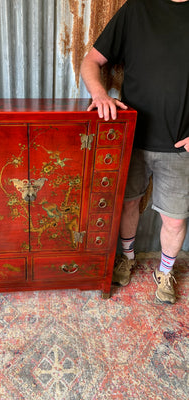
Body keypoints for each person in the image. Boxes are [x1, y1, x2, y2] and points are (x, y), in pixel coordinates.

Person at [81, 0, 189, 304]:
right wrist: (101, 95)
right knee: (128, 205)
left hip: (180, 146)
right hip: (131, 138)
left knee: (176, 220)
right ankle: (126, 258)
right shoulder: (136, 9)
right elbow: (90, 61)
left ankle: (165, 272)